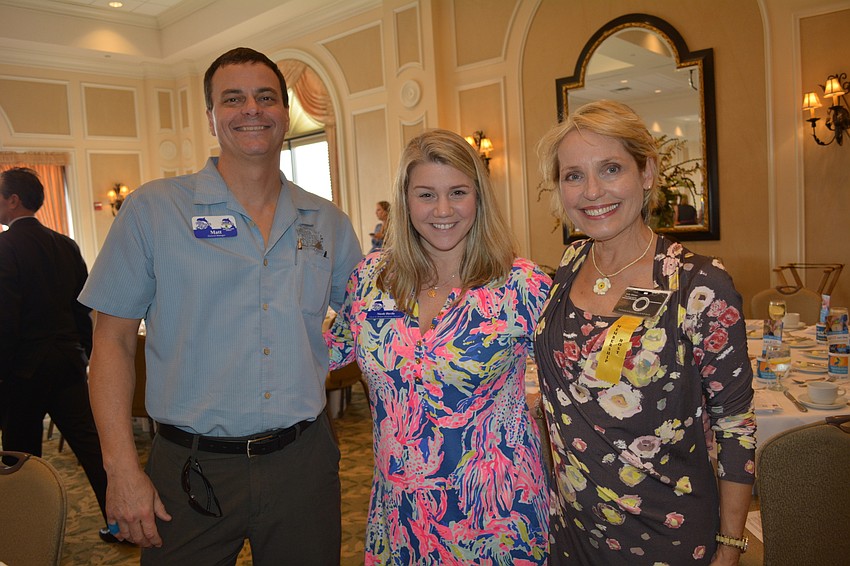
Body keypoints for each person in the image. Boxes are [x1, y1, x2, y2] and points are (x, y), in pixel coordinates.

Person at [79, 47, 362, 564]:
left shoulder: (327, 223)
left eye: (266, 97)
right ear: (211, 117)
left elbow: (373, 327)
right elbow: (112, 340)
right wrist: (120, 468)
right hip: (190, 468)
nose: (251, 109)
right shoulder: (153, 210)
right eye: (233, 99)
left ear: (284, 110)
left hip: (302, 462)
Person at [535, 100, 755, 565]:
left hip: (666, 534)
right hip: (572, 533)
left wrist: (731, 546)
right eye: (573, 175)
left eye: (610, 168)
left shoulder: (698, 284)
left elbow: (735, 426)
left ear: (647, 172)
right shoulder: (568, 268)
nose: (592, 191)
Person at [326, 129, 551, 564]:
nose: (443, 210)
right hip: (403, 513)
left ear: (479, 198)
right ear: (405, 201)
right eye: (426, 194)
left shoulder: (521, 286)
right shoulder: (372, 281)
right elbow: (317, 356)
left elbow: (577, 388)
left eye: (458, 193)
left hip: (499, 514)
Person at [0, 167, 116, 544]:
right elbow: (83, 308)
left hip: (22, 371)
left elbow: (6, 319)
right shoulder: (66, 245)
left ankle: (28, 542)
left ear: (13, 200)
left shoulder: (5, 248)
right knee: (94, 450)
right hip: (68, 362)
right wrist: (83, 353)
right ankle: (120, 524)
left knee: (21, 460)